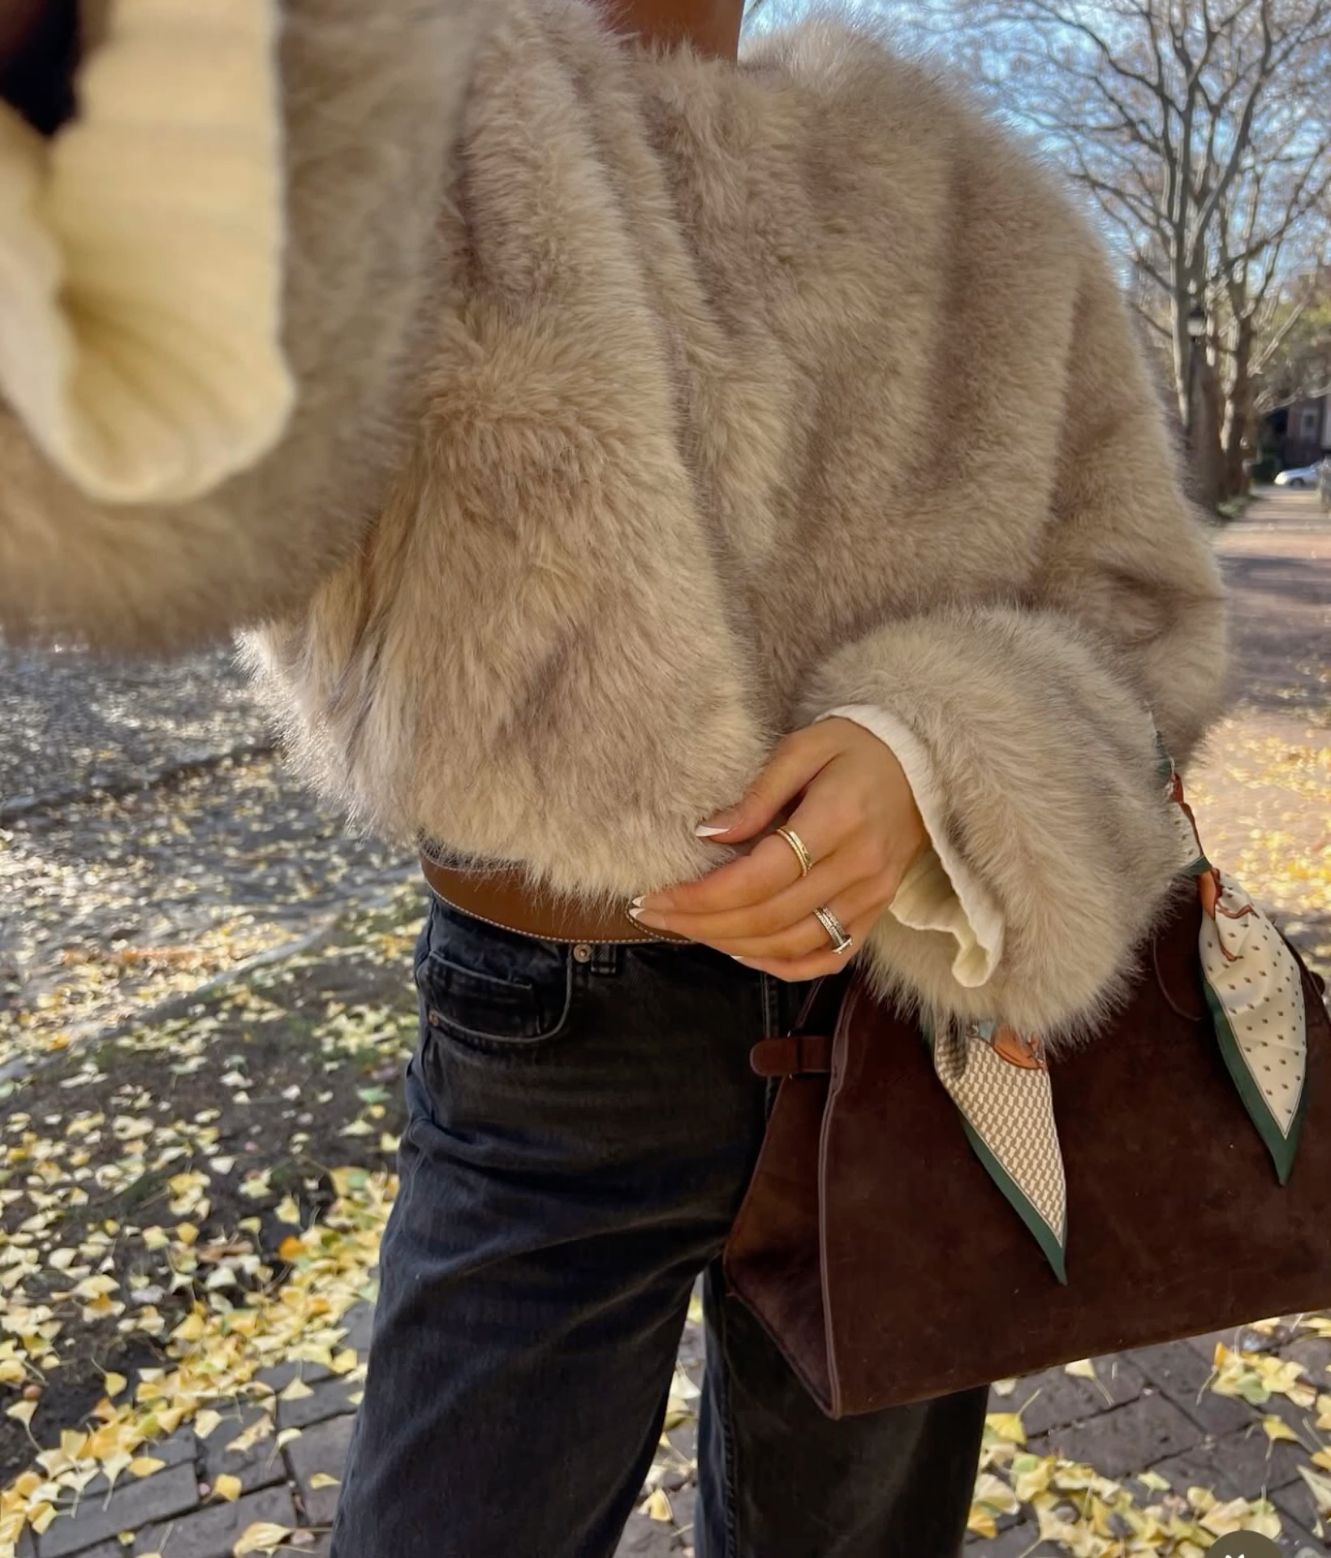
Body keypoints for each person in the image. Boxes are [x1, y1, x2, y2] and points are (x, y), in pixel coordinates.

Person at [0, 0, 1228, 1552]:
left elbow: (1143, 625)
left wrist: (939, 758)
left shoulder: (970, 200)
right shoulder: (363, 112)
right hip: (553, 1046)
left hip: (912, 1035)